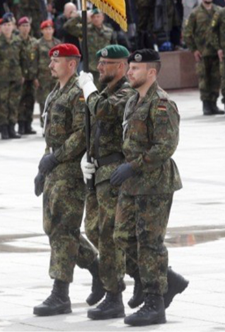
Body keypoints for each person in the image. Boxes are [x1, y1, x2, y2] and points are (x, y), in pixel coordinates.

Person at [105, 49, 185, 326]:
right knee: (122, 236)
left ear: (151, 72)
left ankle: (155, 302)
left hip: (154, 183)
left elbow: (166, 146)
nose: (129, 72)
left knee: (150, 243)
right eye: (129, 68)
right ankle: (166, 279)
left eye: (136, 70)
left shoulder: (161, 104)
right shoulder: (133, 101)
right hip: (132, 182)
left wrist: (134, 165)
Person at [32, 43, 99, 317]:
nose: (51, 65)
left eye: (57, 61)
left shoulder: (77, 94)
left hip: (69, 172)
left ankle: (60, 294)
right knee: (54, 228)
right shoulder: (53, 94)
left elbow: (80, 135)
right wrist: (42, 168)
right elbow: (51, 137)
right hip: (53, 170)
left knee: (62, 231)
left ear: (72, 64)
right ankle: (99, 269)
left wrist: (56, 158)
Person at [76, 44, 135, 320]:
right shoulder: (106, 92)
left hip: (114, 172)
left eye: (106, 63)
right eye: (98, 62)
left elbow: (102, 111)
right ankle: (153, 282)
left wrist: (88, 89)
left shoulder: (125, 92)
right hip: (99, 170)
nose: (99, 67)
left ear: (121, 67)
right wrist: (87, 157)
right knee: (95, 230)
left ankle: (115, 295)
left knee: (112, 236)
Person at [184, 0, 223, 115]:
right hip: (202, 52)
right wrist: (194, 49)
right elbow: (187, 33)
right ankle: (206, 105)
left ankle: (214, 103)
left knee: (216, 78)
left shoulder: (218, 11)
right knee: (204, 79)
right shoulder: (195, 13)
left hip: (216, 51)